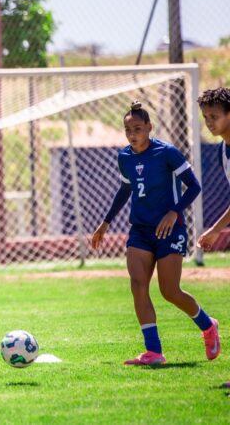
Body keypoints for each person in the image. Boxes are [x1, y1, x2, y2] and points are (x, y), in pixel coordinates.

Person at [91, 101, 219, 366]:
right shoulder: (124, 157)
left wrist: (174, 212)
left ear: (149, 127)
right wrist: (106, 222)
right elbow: (126, 189)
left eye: (138, 128)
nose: (133, 134)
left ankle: (208, 326)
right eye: (128, 130)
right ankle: (154, 351)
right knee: (138, 284)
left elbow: (194, 187)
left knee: (169, 291)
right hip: (140, 230)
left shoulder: (167, 153)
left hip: (170, 230)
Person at [195, 87, 230, 388]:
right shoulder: (223, 149)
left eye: (215, 116)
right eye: (206, 117)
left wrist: (215, 229)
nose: (209, 122)